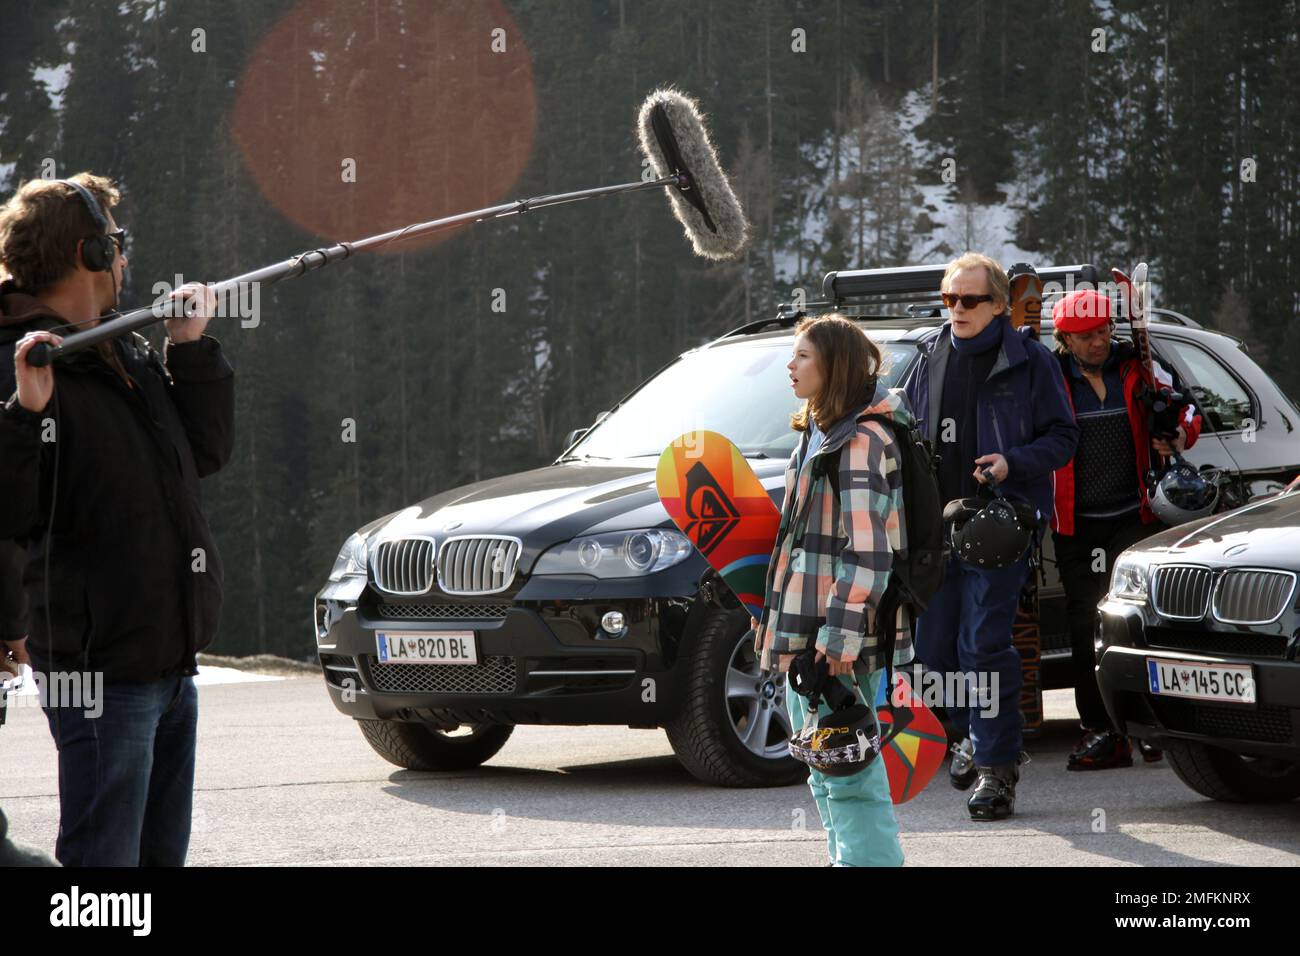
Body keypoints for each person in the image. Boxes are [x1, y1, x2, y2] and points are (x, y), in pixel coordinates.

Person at [0, 173, 234, 866]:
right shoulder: (24, 364)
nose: (125, 260)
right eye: (116, 244)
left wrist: (190, 351)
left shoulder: (117, 350)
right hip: (101, 674)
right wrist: (25, 413)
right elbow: (7, 510)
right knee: (105, 871)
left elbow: (203, 454)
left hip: (168, 661)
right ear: (90, 253)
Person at [901, 252, 1077, 821]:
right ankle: (971, 736)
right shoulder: (928, 355)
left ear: (1000, 305)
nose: (956, 309)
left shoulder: (1032, 361)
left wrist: (1012, 463)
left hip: (999, 524)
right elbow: (901, 426)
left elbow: (1064, 438)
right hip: (936, 525)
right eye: (949, 298)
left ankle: (997, 769)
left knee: (983, 646)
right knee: (931, 653)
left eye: (969, 299)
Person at [752, 313, 912, 867]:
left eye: (803, 357)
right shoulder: (818, 433)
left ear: (833, 366)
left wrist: (838, 640)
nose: (790, 366)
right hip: (804, 633)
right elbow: (795, 542)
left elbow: (868, 553)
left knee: (850, 774)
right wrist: (769, 616)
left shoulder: (863, 441)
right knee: (825, 770)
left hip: (838, 641)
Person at [1049, 288, 1201, 770]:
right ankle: (1102, 731)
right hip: (1074, 524)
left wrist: (1177, 435)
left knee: (1140, 623)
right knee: (1083, 625)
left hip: (1134, 516)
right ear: (1065, 340)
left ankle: (1150, 724)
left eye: (1102, 332)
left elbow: (1190, 409)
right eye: (1086, 336)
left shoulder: (1138, 365)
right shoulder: (1050, 378)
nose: (1098, 342)